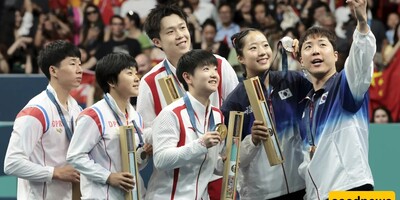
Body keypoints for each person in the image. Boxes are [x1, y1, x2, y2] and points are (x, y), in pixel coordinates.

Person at [137, 5, 238, 198]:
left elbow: (234, 115)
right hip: (174, 178)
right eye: (171, 31)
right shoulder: (150, 81)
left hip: (215, 172)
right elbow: (143, 131)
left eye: (182, 27)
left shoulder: (219, 66)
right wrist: (172, 134)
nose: (180, 35)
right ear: (157, 41)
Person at [297, 0, 376, 199]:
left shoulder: (346, 84)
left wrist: (362, 23)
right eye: (308, 47)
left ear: (334, 55)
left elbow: (361, 59)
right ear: (301, 61)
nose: (315, 50)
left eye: (322, 45)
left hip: (350, 189)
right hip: (319, 194)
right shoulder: (306, 106)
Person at [221, 28, 312, 199]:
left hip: (301, 184)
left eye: (265, 45)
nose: (262, 52)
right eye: (253, 48)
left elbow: (322, 89)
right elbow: (229, 160)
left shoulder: (292, 81)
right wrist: (252, 141)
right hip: (262, 193)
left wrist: (304, 57)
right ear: (240, 58)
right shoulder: (235, 101)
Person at [3, 40, 82, 199]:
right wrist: (55, 173)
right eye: (73, 64)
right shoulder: (36, 111)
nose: (80, 70)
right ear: (53, 70)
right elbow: (12, 163)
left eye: (80, 64)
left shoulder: (77, 109)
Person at [66, 53, 150, 199]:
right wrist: (108, 176)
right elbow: (75, 156)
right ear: (111, 81)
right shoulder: (93, 115)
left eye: (136, 73)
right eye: (129, 73)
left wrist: (144, 154)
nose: (137, 78)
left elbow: (134, 164)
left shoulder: (136, 116)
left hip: (133, 194)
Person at [146, 49, 223, 199]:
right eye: (206, 69)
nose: (214, 74)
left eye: (215, 69)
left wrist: (237, 154)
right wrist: (200, 144)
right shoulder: (171, 113)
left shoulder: (217, 115)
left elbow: (214, 166)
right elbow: (161, 160)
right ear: (188, 77)